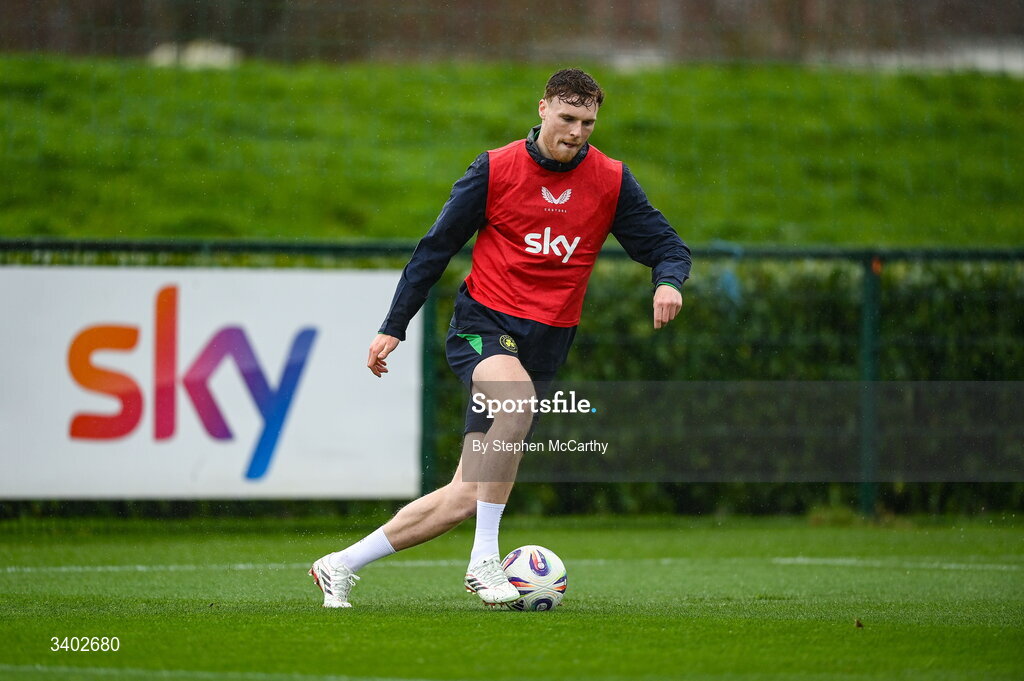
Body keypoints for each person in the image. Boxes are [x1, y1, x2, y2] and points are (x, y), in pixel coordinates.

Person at [310, 68, 691, 608]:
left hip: (546, 343)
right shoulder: (495, 168)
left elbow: (668, 246)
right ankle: (483, 561)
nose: (578, 131)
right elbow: (434, 248)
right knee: (517, 402)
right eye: (567, 118)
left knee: (465, 495)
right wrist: (393, 326)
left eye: (587, 122)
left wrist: (668, 282)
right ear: (542, 110)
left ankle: (339, 565)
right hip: (483, 326)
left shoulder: (610, 179)